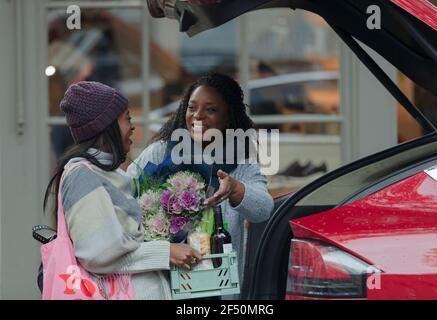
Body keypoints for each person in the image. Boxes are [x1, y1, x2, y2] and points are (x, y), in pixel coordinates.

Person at [43, 81, 201, 300]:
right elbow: (99, 253)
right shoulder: (82, 175)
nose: (132, 126)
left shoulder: (108, 172)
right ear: (106, 126)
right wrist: (165, 252)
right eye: (127, 118)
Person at [127, 73, 274, 297]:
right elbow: (122, 197)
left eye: (211, 110)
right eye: (192, 107)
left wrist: (235, 189)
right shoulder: (161, 153)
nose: (197, 116)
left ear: (228, 117)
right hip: (161, 284)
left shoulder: (241, 163)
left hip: (218, 286)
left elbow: (263, 209)